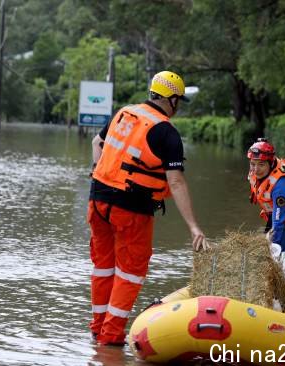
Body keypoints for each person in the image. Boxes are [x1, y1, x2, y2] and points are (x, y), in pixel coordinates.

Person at [88, 70, 207, 346]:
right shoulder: (166, 131)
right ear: (173, 100)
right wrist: (193, 226)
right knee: (130, 272)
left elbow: (97, 142)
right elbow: (175, 182)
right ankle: (111, 337)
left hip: (97, 201)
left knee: (103, 267)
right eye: (178, 101)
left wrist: (96, 171)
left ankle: (96, 330)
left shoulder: (124, 113)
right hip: (131, 208)